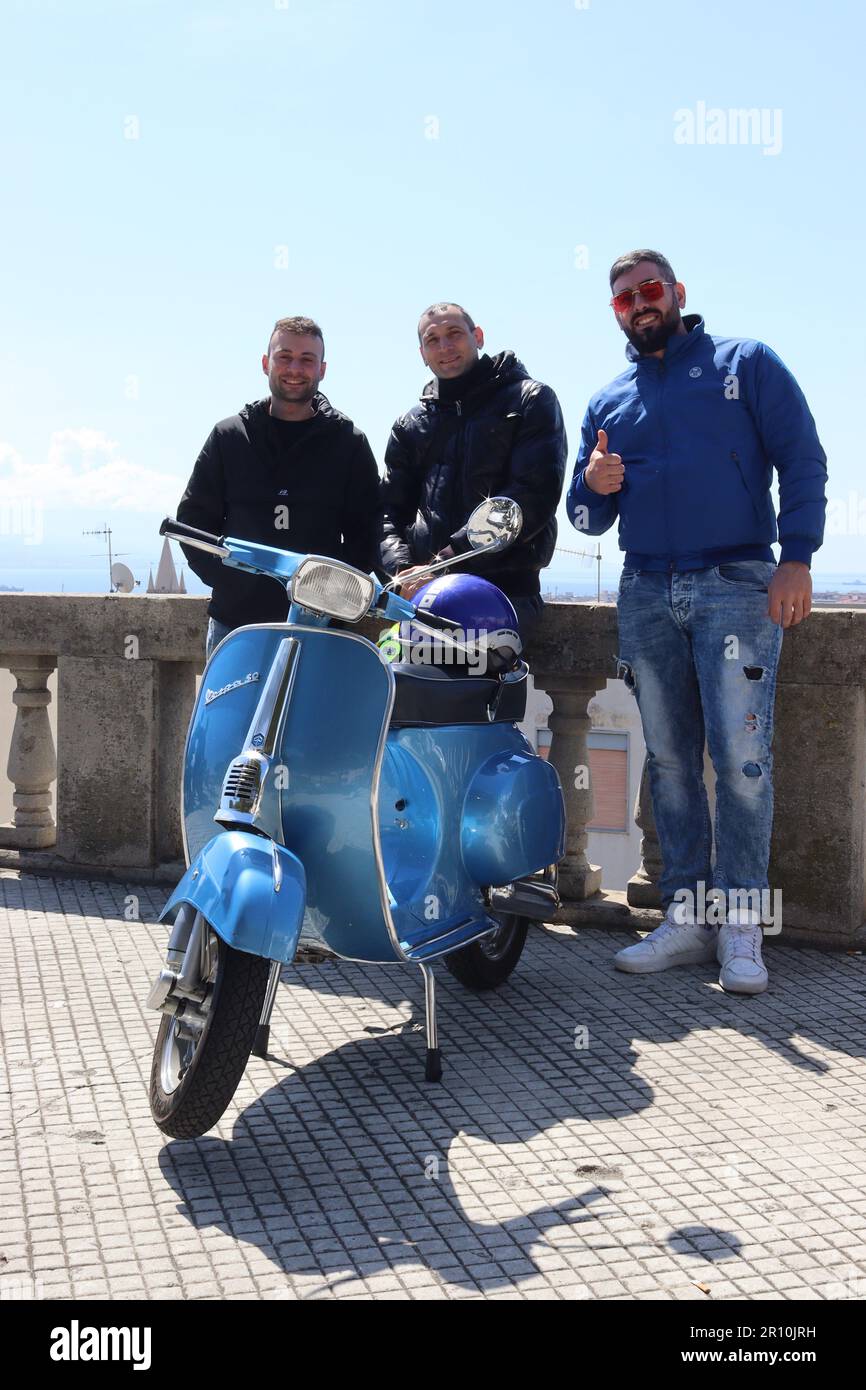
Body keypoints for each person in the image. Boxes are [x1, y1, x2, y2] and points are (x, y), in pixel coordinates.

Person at [567, 250, 827, 995]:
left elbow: (803, 460)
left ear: (677, 292)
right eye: (624, 299)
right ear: (616, 312)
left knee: (743, 763)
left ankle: (742, 926)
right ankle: (687, 915)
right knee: (673, 762)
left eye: (649, 290)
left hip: (739, 584)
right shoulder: (610, 399)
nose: (639, 303)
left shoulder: (746, 362)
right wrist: (593, 486)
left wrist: (799, 557)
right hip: (646, 588)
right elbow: (584, 517)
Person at [176, 316, 380, 658]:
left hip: (320, 628)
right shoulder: (229, 437)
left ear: (322, 369)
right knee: (233, 715)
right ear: (265, 362)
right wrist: (231, 584)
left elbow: (367, 532)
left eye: (306, 359)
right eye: (284, 357)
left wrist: (330, 597)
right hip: (235, 626)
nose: (294, 369)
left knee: (313, 714)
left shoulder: (349, 443)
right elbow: (193, 524)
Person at [378, 302, 567, 642]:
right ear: (422, 353)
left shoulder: (529, 400)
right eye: (432, 340)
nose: (445, 347)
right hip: (421, 596)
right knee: (417, 695)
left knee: (483, 695)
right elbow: (388, 512)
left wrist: (442, 564)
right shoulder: (410, 425)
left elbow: (531, 495)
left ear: (477, 336)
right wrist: (402, 572)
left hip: (503, 594)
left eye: (454, 334)